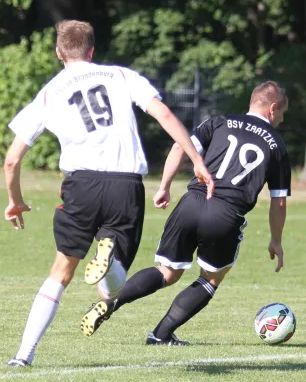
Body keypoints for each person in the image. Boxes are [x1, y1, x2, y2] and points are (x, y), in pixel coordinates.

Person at [4, 20, 214, 367]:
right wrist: (196, 161)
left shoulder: (49, 92)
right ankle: (111, 262)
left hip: (80, 184)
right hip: (125, 184)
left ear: (59, 53)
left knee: (61, 269)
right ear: (92, 50)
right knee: (113, 287)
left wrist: (15, 200)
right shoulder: (120, 76)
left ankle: (23, 356)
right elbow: (162, 112)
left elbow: (11, 161)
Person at [83, 81, 291, 346]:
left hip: (191, 202)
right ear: (273, 108)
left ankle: (111, 302)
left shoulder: (220, 121)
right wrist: (275, 240)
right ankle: (160, 335)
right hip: (226, 214)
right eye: (282, 114)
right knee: (211, 278)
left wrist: (164, 186)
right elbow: (279, 201)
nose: (281, 120)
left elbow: (179, 147)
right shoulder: (276, 145)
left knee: (167, 272)